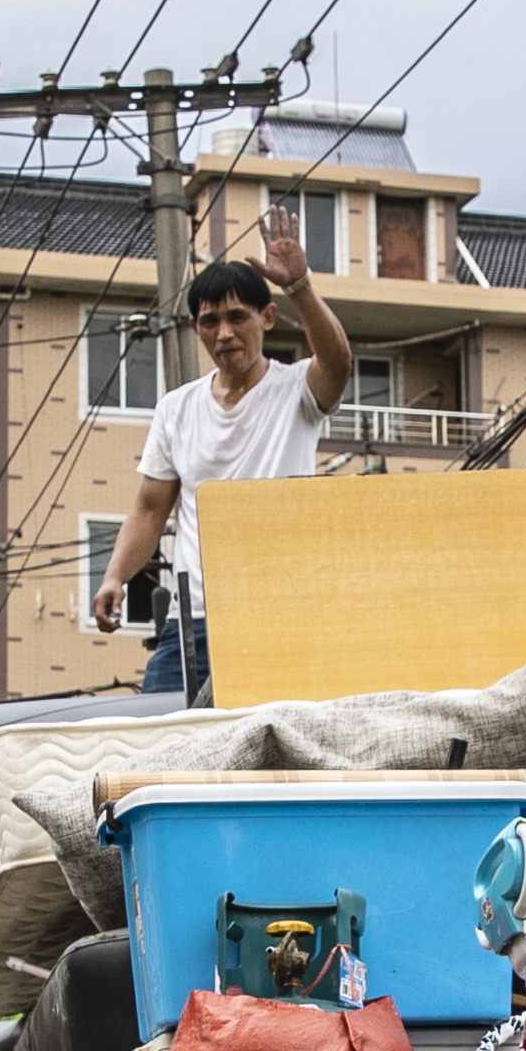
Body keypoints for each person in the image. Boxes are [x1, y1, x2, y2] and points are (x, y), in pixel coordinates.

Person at [83, 207, 355, 707]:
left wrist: (300, 287)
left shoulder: (297, 391)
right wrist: (114, 575)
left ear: (266, 318)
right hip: (193, 623)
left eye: (237, 317)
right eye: (210, 322)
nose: (224, 333)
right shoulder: (176, 409)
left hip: (281, 616)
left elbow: (338, 362)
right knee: (165, 753)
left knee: (272, 762)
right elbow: (149, 508)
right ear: (196, 328)